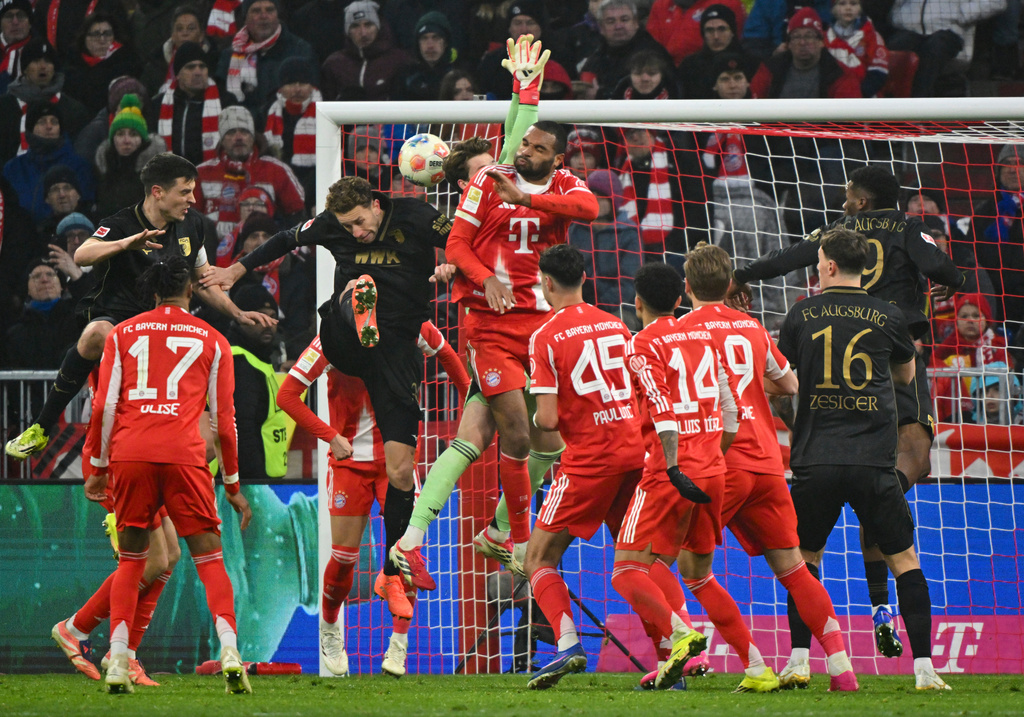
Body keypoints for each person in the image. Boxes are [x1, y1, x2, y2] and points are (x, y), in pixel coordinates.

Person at [731, 164, 965, 655]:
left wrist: (742, 275)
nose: (842, 202)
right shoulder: (906, 227)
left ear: (860, 200)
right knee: (912, 462)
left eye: (847, 196)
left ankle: (855, 605)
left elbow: (786, 257)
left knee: (842, 475)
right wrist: (951, 279)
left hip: (831, 352)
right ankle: (879, 526)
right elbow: (942, 269)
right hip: (893, 350)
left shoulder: (835, 236)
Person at [390, 46, 599, 588]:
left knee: (521, 443)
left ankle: (425, 539)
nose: (519, 151)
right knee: (517, 436)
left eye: (533, 146)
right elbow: (457, 246)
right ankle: (517, 542)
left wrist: (526, 93)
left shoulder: (553, 185)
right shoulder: (487, 183)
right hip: (488, 327)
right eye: (521, 144)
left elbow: (590, 210)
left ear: (554, 157)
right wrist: (486, 279)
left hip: (540, 330)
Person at [199, 174, 453, 604]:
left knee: (401, 471)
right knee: (358, 288)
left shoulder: (416, 215)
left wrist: (451, 262)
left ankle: (394, 569)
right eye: (347, 226)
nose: (355, 233)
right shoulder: (332, 225)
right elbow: (282, 239)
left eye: (359, 222)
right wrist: (235, 269)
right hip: (343, 338)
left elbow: (464, 235)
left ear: (377, 202)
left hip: (395, 350)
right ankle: (359, 304)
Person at [6, 152, 274, 461]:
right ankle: (41, 427)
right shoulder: (120, 224)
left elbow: (203, 282)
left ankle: (172, 484)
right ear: (158, 192)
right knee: (96, 333)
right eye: (185, 192)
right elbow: (82, 256)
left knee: (210, 443)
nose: (192, 199)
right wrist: (126, 244)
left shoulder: (194, 226)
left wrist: (238, 314)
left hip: (170, 325)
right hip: (120, 322)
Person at [775, 227, 951, 691]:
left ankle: (797, 660)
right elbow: (906, 374)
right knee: (905, 561)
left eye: (817, 262)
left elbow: (782, 377)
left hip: (816, 458)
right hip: (874, 459)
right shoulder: (889, 314)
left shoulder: (801, 313)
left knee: (804, 559)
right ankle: (925, 670)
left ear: (829, 265)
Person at [680, 242, 857, 691]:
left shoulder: (683, 331)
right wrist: (749, 388)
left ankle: (743, 662)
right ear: (728, 284)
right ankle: (841, 668)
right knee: (795, 569)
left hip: (719, 464)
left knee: (676, 565)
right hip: (766, 461)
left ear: (687, 287)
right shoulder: (752, 328)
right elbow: (790, 383)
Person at [82, 255, 254, 694]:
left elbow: (102, 407)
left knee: (133, 560)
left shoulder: (122, 334)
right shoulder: (214, 340)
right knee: (210, 560)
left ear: (152, 291)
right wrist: (232, 485)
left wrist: (97, 467)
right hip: (184, 456)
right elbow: (226, 421)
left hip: (132, 454)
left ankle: (118, 657)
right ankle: (231, 649)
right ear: (192, 290)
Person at [277, 322, 469, 677]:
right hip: (350, 462)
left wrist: (471, 411)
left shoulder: (412, 325)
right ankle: (331, 629)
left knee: (407, 557)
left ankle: (398, 647)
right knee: (345, 558)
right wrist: (330, 435)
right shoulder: (331, 338)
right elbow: (286, 395)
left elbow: (448, 355)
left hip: (396, 461)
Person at [610, 261, 747, 692]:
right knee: (678, 569)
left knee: (625, 570)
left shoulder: (641, 343)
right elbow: (732, 414)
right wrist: (713, 455)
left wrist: (672, 464)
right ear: (678, 297)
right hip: (713, 469)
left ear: (637, 302)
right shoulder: (703, 335)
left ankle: (681, 635)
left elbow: (661, 411)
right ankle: (753, 665)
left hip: (669, 471)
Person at [521, 244, 645, 689]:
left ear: (547, 283)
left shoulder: (545, 336)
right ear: (583, 280)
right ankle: (674, 650)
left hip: (591, 462)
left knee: (538, 557)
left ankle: (568, 643)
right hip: (634, 453)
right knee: (637, 563)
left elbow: (549, 420)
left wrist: (534, 416)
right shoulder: (617, 324)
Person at [194, 105, 306, 241]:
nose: (238, 137)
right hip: (213, 253)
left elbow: (297, 215)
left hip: (263, 251)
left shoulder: (277, 170)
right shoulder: (201, 173)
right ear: (222, 140)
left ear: (253, 137)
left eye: (244, 132)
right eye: (231, 133)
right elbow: (189, 220)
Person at [216, 0, 316, 122]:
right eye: (256, 11)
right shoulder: (230, 56)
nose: (264, 16)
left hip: (288, 127)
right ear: (245, 18)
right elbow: (226, 102)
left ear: (277, 15)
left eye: (269, 10)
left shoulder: (300, 51)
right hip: (245, 130)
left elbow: (311, 96)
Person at [228, 283, 288, 481]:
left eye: (272, 316)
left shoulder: (258, 359)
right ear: (241, 318)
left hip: (262, 478)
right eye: (260, 316)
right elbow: (242, 430)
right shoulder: (239, 362)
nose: (268, 322)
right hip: (250, 482)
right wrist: (255, 482)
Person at [0, 39, 90, 168]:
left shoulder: (74, 110)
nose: (43, 66)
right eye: (36, 61)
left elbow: (80, 155)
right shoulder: (4, 107)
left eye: (48, 61)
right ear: (25, 69)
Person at [567, 169, 640, 325]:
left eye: (602, 198)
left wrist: (600, 306)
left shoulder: (628, 232)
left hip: (618, 307)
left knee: (621, 322)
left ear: (613, 201)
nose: (596, 201)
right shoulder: (574, 228)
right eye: (592, 196)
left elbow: (629, 283)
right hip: (577, 302)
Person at [3, 102, 95, 226]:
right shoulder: (13, 168)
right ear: (31, 128)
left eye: (54, 122)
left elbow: (85, 208)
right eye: (42, 122)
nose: (49, 126)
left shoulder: (79, 166)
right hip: (21, 238)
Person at [151, 41, 232, 167]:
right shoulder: (158, 105)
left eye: (202, 66)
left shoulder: (225, 102)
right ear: (177, 74)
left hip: (212, 177)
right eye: (190, 67)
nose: (198, 72)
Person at [750, 8, 862, 98]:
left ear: (821, 42)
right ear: (788, 44)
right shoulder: (769, 69)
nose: (802, 42)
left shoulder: (840, 74)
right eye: (796, 37)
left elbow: (849, 121)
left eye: (809, 36)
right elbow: (753, 108)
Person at [320, 0, 412, 103]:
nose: (363, 33)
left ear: (378, 26)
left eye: (368, 25)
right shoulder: (333, 65)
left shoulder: (399, 61)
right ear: (348, 32)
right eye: (355, 26)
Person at [579, 0, 674, 99]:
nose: (618, 26)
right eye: (611, 21)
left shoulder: (652, 54)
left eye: (624, 20)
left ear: (636, 22)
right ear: (601, 28)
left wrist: (600, 96)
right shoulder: (597, 56)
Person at [94, 94, 168, 219]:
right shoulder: (103, 167)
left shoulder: (157, 174)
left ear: (142, 139)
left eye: (133, 134)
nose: (126, 140)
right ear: (113, 139)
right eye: (120, 134)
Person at [262, 56, 320, 208]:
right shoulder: (267, 114)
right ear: (280, 88)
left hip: (316, 182)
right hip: (278, 181)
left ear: (312, 87)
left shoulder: (325, 113)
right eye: (291, 83)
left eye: (303, 83)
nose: (297, 89)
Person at [1, 259, 80, 369]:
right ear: (27, 288)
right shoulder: (15, 333)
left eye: (50, 274)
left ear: (61, 286)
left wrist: (79, 279)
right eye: (36, 276)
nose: (44, 279)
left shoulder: (76, 320)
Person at [63, 13, 143, 116]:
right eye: (95, 34)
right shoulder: (72, 67)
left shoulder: (128, 65)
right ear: (84, 38)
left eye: (107, 34)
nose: (102, 40)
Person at [677, 3, 762, 100]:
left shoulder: (751, 62)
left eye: (722, 29)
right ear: (703, 34)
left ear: (732, 31)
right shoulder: (689, 66)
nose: (716, 36)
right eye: (709, 30)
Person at [646, 0, 747, 66]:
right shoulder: (661, 5)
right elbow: (652, 48)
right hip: (668, 72)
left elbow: (737, 44)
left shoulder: (728, 3)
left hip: (715, 68)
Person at [824, 0, 889, 98]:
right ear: (833, 9)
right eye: (842, 4)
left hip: (864, 98)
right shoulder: (824, 37)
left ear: (860, 8)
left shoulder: (872, 36)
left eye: (853, 3)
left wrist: (856, 94)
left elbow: (878, 73)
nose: (848, 8)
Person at [393, 11, 461, 102]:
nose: (430, 46)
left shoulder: (459, 75)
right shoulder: (406, 77)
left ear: (446, 43)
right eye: (424, 38)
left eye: (436, 38)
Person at [0, 0, 36, 94]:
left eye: (21, 16)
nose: (15, 22)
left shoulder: (43, 52)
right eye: (8, 17)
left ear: (30, 23)